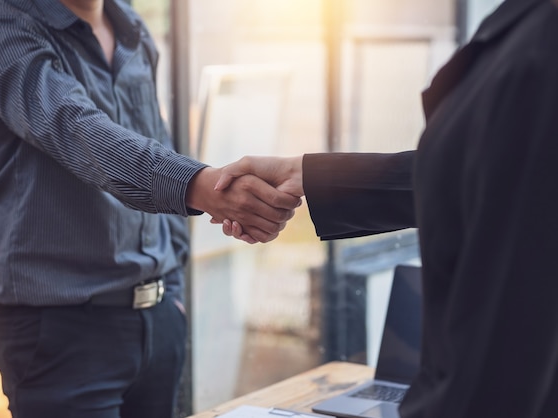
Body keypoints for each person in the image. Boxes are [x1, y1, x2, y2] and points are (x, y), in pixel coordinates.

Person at [0, 0, 300, 417]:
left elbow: (156, 138)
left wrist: (173, 283)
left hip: (157, 320)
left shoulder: (131, 27)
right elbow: (85, 135)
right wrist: (204, 186)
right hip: (61, 334)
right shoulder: (9, 31)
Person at [215, 0, 558, 417]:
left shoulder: (541, 53)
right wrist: (308, 173)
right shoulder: (530, 29)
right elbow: (479, 172)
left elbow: (506, 349)